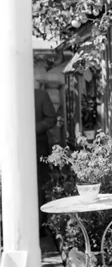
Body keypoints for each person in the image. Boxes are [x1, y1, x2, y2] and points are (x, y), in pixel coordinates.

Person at [35, 87, 57, 235]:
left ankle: (40, 225)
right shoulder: (7, 93)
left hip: (38, 149)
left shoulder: (40, 95)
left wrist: (32, 128)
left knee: (40, 186)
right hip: (12, 150)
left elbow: (51, 119)